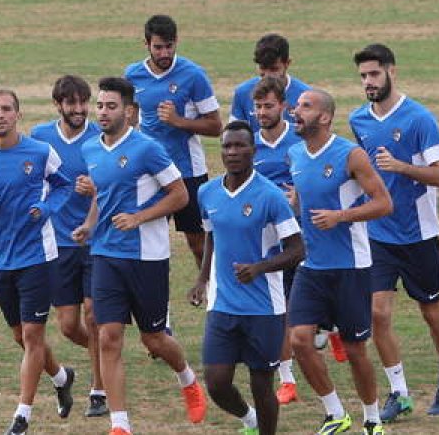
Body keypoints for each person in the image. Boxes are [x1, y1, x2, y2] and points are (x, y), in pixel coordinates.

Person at [75, 77, 207, 435]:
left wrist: (139, 218)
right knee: (108, 335)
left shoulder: (148, 149)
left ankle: (188, 379)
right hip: (104, 254)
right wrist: (89, 225)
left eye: (111, 106)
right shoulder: (90, 149)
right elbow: (103, 198)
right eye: (100, 105)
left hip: (147, 257)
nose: (103, 112)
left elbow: (180, 196)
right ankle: (120, 425)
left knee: (154, 339)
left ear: (130, 112)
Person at [0, 90, 77, 435]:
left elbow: (63, 186)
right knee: (21, 337)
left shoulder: (40, 153)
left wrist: (48, 209)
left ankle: (22, 415)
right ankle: (61, 376)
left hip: (38, 256)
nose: (0, 115)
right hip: (0, 258)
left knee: (32, 334)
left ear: (18, 116)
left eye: (6, 109)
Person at [348, 44, 439, 421]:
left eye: (374, 74)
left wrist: (400, 167)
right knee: (378, 314)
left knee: (431, 312)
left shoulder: (419, 119)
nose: (368, 82)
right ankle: (399, 391)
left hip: (419, 234)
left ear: (391, 72)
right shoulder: (358, 120)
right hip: (378, 234)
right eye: (363, 76)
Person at [286, 88, 393, 435]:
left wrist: (341, 216)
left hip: (351, 267)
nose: (296, 111)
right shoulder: (295, 155)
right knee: (300, 340)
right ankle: (334, 413)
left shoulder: (351, 155)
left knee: (355, 349)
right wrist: (293, 208)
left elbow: (384, 203)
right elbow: (304, 203)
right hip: (312, 266)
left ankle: (373, 418)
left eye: (306, 106)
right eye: (297, 105)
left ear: (325, 117)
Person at [189, 121, 305, 435]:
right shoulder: (207, 192)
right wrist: (202, 279)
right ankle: (249, 419)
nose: (233, 152)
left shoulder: (270, 197)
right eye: (227, 146)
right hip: (223, 305)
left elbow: (297, 250)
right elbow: (212, 236)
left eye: (240, 146)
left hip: (264, 308)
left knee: (261, 382)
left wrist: (259, 268)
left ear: (253, 151)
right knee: (216, 382)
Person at [29, 75, 108, 416]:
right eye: (71, 103)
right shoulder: (41, 137)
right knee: (67, 325)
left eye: (83, 102)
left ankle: (100, 389)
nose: (79, 110)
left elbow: (116, 185)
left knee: (93, 315)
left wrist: (96, 189)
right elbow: (32, 178)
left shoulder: (100, 138)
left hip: (94, 239)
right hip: (57, 242)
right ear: (58, 105)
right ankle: (107, 352)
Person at [124, 14, 222, 267]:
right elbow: (128, 120)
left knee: (198, 241)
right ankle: (154, 301)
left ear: (176, 41)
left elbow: (215, 126)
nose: (165, 52)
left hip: (188, 170)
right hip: (149, 170)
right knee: (147, 237)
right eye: (158, 47)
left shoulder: (193, 75)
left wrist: (180, 122)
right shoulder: (132, 76)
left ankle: (212, 290)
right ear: (146, 44)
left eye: (169, 46)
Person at [251, 76, 314, 404]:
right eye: (258, 106)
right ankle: (287, 379)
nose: (262, 112)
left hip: (301, 236)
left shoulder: (298, 142)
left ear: (284, 107)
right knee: (279, 309)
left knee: (300, 306)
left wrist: (298, 199)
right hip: (266, 240)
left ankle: (331, 330)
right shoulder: (250, 145)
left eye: (268, 106)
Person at [230, 33, 312, 126]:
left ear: (287, 64)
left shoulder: (306, 96)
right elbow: (236, 134)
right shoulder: (242, 93)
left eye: (274, 69)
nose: (268, 75)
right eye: (263, 68)